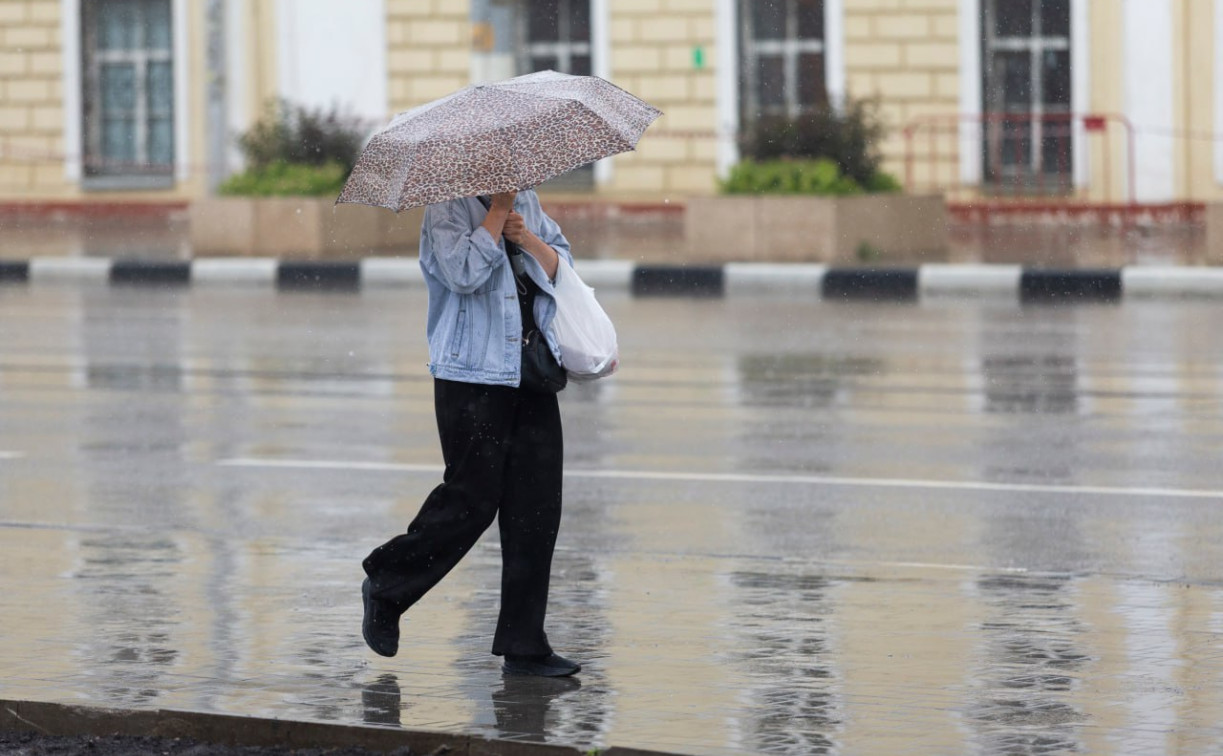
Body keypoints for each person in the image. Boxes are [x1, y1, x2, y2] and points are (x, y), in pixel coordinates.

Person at [360, 188, 581, 678]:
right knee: (470, 500)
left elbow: (561, 264)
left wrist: (526, 238)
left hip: (530, 371)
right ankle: (387, 585)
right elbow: (461, 273)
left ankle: (525, 645)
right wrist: (496, 216)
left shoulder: (527, 196)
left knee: (537, 508)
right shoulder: (445, 203)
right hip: (471, 375)